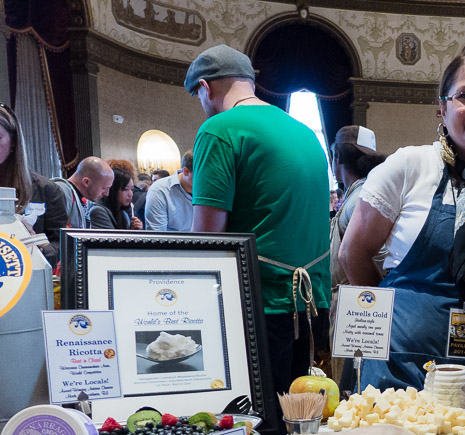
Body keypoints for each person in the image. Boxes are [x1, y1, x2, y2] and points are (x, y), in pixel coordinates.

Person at [339, 48, 465, 400]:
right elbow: (353, 253)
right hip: (403, 372)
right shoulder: (409, 166)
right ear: (442, 108)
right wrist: (398, 318)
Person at [185, 44, 331, 398]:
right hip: (313, 306)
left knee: (258, 428)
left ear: (205, 87)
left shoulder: (219, 130)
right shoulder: (306, 133)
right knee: (301, 421)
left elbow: (206, 238)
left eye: (198, 97)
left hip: (257, 308)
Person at [328, 124, 387, 382]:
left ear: (337, 157)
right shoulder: (361, 194)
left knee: (351, 385)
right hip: (353, 302)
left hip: (355, 307)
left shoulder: (361, 198)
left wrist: (368, 305)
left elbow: (380, 258)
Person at [0, 103, 68, 265]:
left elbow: (62, 246)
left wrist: (40, 248)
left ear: (14, 143)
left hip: (27, 278)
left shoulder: (47, 190)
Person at [51, 156, 114, 230]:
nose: (106, 194)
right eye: (104, 188)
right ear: (86, 182)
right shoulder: (60, 192)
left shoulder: (80, 197)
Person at [144, 150, 194, 231]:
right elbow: (158, 237)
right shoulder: (159, 190)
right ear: (186, 171)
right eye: (202, 176)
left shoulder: (210, 190)